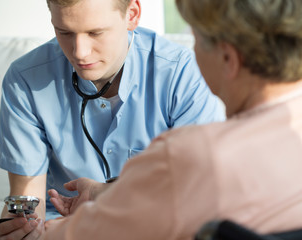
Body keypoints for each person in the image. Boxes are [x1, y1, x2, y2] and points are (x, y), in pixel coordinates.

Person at [41, 0, 302, 239]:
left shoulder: (191, 155)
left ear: (228, 58)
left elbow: (85, 234)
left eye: (195, 39)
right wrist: (106, 192)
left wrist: (47, 232)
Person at [0, 0, 224, 238]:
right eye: (64, 32)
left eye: (95, 32)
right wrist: (23, 228)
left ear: (132, 15)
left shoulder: (184, 74)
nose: (79, 52)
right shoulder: (24, 80)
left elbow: (198, 192)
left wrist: (106, 194)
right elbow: (30, 198)